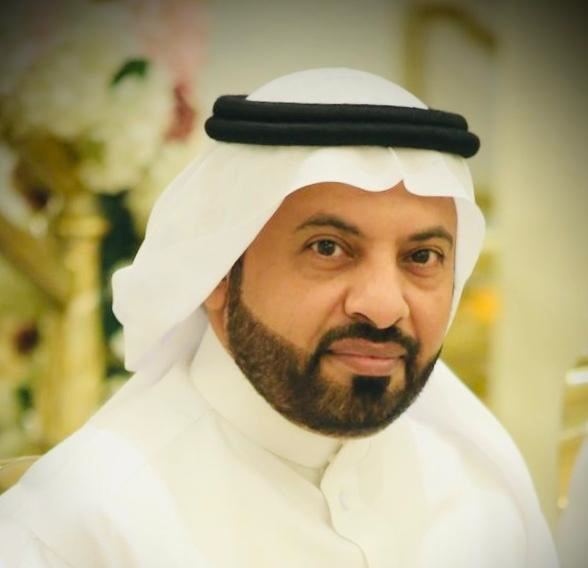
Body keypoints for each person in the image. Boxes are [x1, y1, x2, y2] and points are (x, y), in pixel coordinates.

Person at [0, 68, 558, 567]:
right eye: (327, 248)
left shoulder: (483, 495)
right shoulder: (84, 528)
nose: (384, 305)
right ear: (218, 273)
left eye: (423, 257)